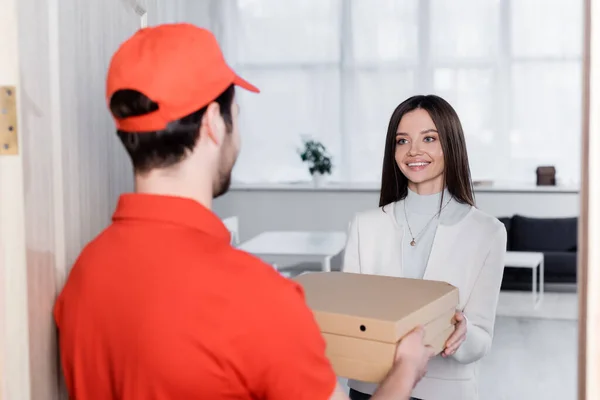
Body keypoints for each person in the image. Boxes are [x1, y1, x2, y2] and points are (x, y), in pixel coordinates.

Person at [53, 23, 434, 400]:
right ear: (214, 123)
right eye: (236, 111)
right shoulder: (258, 298)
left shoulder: (83, 278)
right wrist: (405, 369)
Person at [343, 95, 507, 400]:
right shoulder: (364, 226)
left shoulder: (488, 232)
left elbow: (482, 338)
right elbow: (352, 324)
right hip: (371, 388)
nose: (413, 151)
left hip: (446, 392)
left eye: (428, 138)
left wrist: (463, 332)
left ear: (451, 144)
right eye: (402, 141)